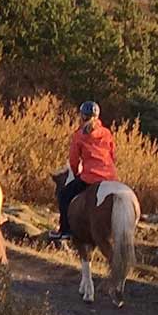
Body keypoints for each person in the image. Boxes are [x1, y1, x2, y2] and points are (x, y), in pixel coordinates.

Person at [48, 101, 117, 241]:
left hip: (90, 177)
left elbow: (73, 160)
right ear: (97, 116)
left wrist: (77, 173)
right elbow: (113, 155)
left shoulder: (79, 134)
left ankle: (65, 230)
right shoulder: (107, 133)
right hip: (110, 177)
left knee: (64, 195)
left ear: (82, 116)